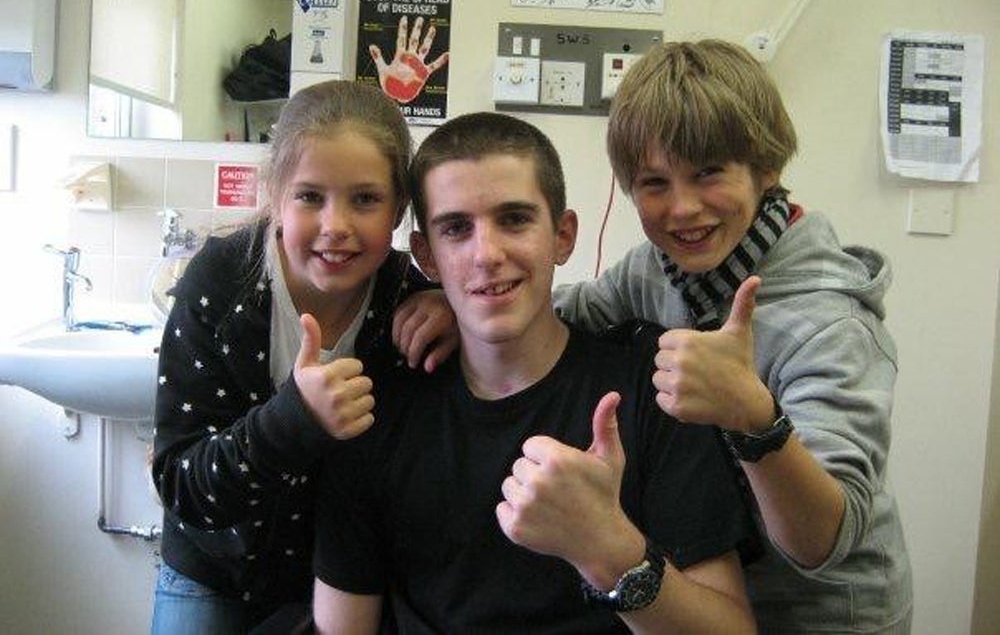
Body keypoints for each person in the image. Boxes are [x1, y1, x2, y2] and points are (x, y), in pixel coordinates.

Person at [312, 112, 759, 634]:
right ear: (426, 256)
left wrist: (608, 549)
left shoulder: (652, 394)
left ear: (563, 235)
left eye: (514, 219)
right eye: (456, 229)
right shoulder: (371, 416)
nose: (487, 255)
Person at [554, 39, 913, 633]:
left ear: (766, 168)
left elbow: (825, 542)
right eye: (654, 182)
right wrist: (452, 308)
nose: (683, 208)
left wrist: (755, 419)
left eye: (708, 173)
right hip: (709, 593)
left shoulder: (832, 323)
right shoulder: (654, 267)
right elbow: (577, 311)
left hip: (823, 616)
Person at [150, 80, 455, 633]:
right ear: (276, 197)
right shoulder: (221, 283)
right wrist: (294, 419)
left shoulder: (408, 302)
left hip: (345, 583)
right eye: (310, 196)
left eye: (365, 199)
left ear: (399, 210)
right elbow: (180, 484)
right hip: (212, 569)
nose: (335, 226)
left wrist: (454, 306)